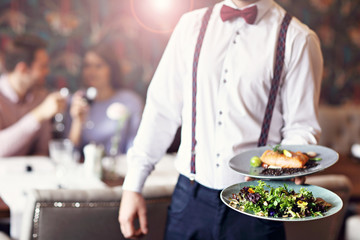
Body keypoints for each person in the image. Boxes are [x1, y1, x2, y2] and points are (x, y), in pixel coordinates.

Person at [119, 0, 323, 239]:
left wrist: (282, 166)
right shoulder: (190, 27)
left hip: (258, 201)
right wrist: (133, 185)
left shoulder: (297, 38)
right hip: (190, 197)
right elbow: (161, 110)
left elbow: (302, 126)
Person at [66, 44, 144, 156]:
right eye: (87, 66)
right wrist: (77, 121)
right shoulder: (77, 101)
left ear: (111, 69)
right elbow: (68, 153)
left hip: (120, 167)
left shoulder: (130, 102)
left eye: (98, 66)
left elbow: (136, 146)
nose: (91, 72)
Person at [0, 34, 66, 157]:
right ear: (23, 69)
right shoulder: (42, 107)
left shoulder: (41, 97)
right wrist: (38, 115)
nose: (47, 72)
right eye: (43, 66)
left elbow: (42, 151)